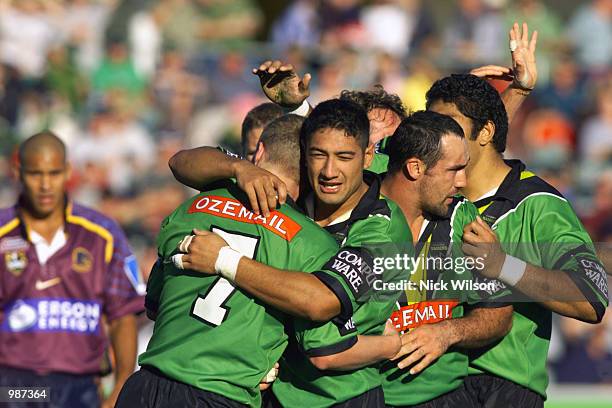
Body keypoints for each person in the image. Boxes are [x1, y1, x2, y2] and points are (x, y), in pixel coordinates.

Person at [117, 114, 403, 408]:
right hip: (223, 394)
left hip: (144, 386)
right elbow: (323, 339)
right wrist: (392, 343)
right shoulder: (312, 242)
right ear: (309, 166)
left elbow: (154, 305)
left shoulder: (192, 207)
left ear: (260, 152)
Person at [426, 68, 609, 408]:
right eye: (432, 127)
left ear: (486, 131)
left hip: (502, 388)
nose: (436, 138)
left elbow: (591, 295)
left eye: (448, 126)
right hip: (428, 382)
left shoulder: (539, 204)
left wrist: (503, 265)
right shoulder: (426, 191)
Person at [376, 111, 513, 407]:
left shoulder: (464, 219)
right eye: (454, 169)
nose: (463, 182)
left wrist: (447, 332)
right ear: (414, 168)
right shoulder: (358, 210)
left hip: (445, 397)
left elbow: (499, 314)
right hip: (366, 395)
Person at [0, 132, 144, 408]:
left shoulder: (102, 234)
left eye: (53, 173)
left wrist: (119, 392)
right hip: (13, 385)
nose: (45, 185)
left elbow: (122, 317)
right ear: (18, 172)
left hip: (80, 386)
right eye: (35, 174)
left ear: (67, 171)